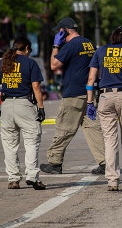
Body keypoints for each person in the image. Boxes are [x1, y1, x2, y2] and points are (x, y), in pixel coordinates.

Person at [40, 17, 106, 175]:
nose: (58, 33)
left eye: (59, 31)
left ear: (64, 31)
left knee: (64, 128)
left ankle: (55, 162)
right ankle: (105, 162)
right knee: (92, 129)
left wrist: (56, 45)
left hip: (73, 94)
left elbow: (53, 65)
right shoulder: (88, 43)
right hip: (88, 93)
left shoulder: (71, 45)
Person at [86, 26, 122, 191]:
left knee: (110, 140)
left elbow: (91, 79)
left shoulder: (100, 52)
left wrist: (90, 103)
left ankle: (112, 180)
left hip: (104, 97)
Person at [0, 37, 47, 190]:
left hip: (7, 105)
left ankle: (14, 179)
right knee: (31, 141)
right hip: (25, 105)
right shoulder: (30, 63)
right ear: (27, 48)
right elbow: (36, 86)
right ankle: (32, 176)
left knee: (10, 145)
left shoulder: (2, 62)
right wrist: (41, 108)